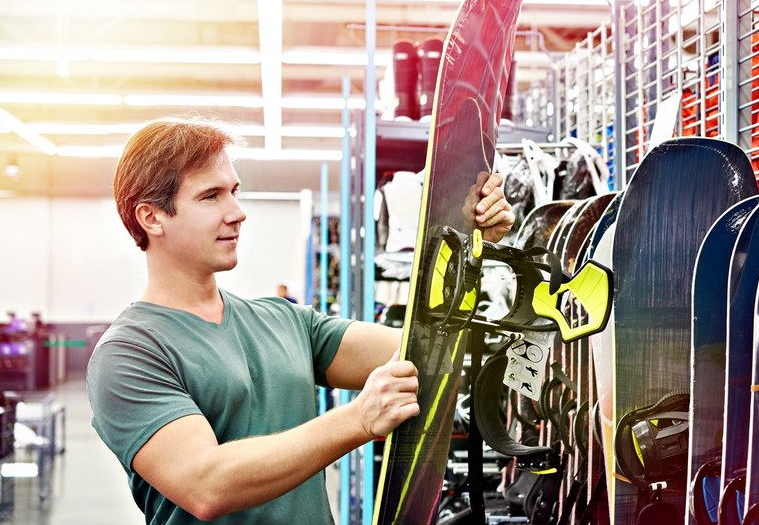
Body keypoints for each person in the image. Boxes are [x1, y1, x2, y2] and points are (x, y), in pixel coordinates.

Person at [86, 116, 515, 524]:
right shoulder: (129, 353)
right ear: (151, 217)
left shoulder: (282, 321)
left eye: (234, 191)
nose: (237, 212)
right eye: (210, 196)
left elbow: (428, 351)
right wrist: (357, 419)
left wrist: (466, 249)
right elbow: (206, 485)